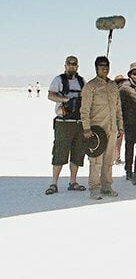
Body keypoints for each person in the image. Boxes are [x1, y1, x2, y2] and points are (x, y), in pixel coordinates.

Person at [80, 56, 124, 200]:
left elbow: (118, 109)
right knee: (96, 160)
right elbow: (84, 109)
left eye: (106, 66)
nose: (104, 68)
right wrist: (86, 128)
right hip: (96, 129)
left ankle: (107, 186)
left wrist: (120, 126)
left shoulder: (113, 86)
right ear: (96, 68)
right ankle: (94, 188)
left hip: (112, 128)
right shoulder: (90, 86)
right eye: (101, 66)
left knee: (108, 160)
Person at [45, 55, 86, 195]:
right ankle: (54, 183)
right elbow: (50, 95)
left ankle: (73, 181)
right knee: (59, 152)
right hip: (63, 122)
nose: (71, 66)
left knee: (77, 152)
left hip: (78, 122)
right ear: (65, 66)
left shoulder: (81, 81)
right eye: (69, 64)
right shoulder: (59, 80)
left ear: (77, 66)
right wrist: (65, 100)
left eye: (74, 64)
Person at [119, 62, 136, 182]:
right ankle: (129, 171)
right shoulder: (124, 88)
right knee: (129, 147)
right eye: (134, 73)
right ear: (130, 74)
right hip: (130, 122)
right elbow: (119, 107)